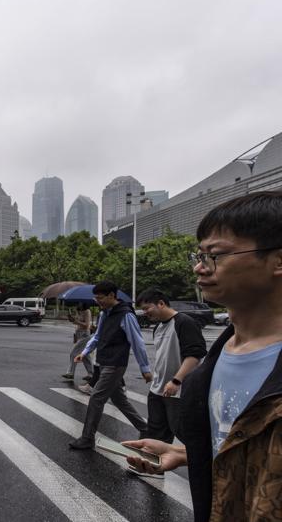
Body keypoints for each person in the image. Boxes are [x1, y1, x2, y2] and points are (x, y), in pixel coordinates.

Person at [124, 191, 282, 522]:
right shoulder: (219, 357)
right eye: (198, 255)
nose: (199, 267)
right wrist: (187, 453)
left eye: (215, 255)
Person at [68, 281, 152, 450]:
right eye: (96, 298)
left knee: (96, 398)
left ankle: (87, 438)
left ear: (112, 296)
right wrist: (84, 353)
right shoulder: (104, 313)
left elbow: (137, 342)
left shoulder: (126, 315)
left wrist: (145, 369)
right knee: (119, 400)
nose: (97, 301)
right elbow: (97, 337)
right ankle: (146, 429)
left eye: (100, 298)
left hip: (115, 363)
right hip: (104, 361)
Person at [136, 288, 206, 447]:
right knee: (156, 430)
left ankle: (208, 464)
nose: (145, 313)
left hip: (178, 391)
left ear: (161, 304)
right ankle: (152, 467)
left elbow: (195, 356)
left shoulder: (184, 322)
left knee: (183, 431)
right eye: (143, 310)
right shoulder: (158, 327)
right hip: (157, 389)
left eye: (147, 308)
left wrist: (176, 381)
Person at [62, 305, 93, 382]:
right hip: (79, 334)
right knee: (85, 355)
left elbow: (86, 325)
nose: (78, 303)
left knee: (73, 353)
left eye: (80, 303)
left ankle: (70, 373)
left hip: (85, 335)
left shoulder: (87, 311)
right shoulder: (78, 310)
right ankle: (92, 374)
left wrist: (75, 321)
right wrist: (72, 319)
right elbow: (77, 325)